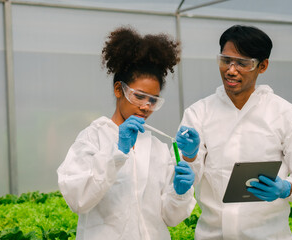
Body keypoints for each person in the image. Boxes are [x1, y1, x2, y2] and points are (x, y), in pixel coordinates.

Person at [176, 25, 292, 239]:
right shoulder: (199, 113)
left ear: (262, 66)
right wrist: (190, 156)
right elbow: (190, 174)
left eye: (243, 63)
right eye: (226, 60)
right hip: (212, 234)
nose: (231, 70)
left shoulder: (285, 115)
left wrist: (287, 187)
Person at [57, 26, 196, 240]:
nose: (146, 106)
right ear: (118, 90)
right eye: (139, 96)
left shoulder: (158, 149)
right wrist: (116, 153)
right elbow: (78, 200)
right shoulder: (93, 138)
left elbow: (170, 218)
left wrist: (180, 192)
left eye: (153, 100)